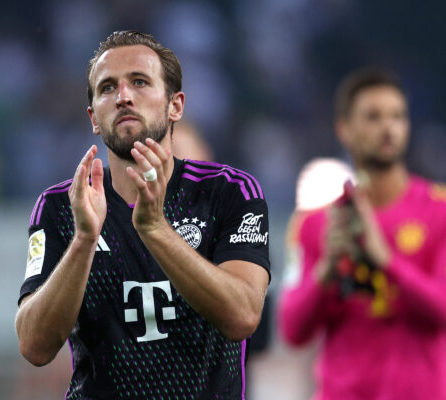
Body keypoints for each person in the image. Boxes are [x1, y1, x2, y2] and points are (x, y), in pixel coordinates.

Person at [15, 30, 270, 399]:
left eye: (139, 82)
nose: (123, 97)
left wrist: (155, 229)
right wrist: (84, 241)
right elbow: (34, 346)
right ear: (93, 118)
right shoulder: (61, 207)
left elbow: (243, 316)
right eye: (107, 88)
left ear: (175, 105)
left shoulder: (229, 192)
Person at [278, 68, 446, 400]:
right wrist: (327, 268)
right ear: (344, 130)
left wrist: (384, 259)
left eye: (397, 116)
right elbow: (292, 331)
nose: (388, 127)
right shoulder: (315, 225)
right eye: (373, 117)